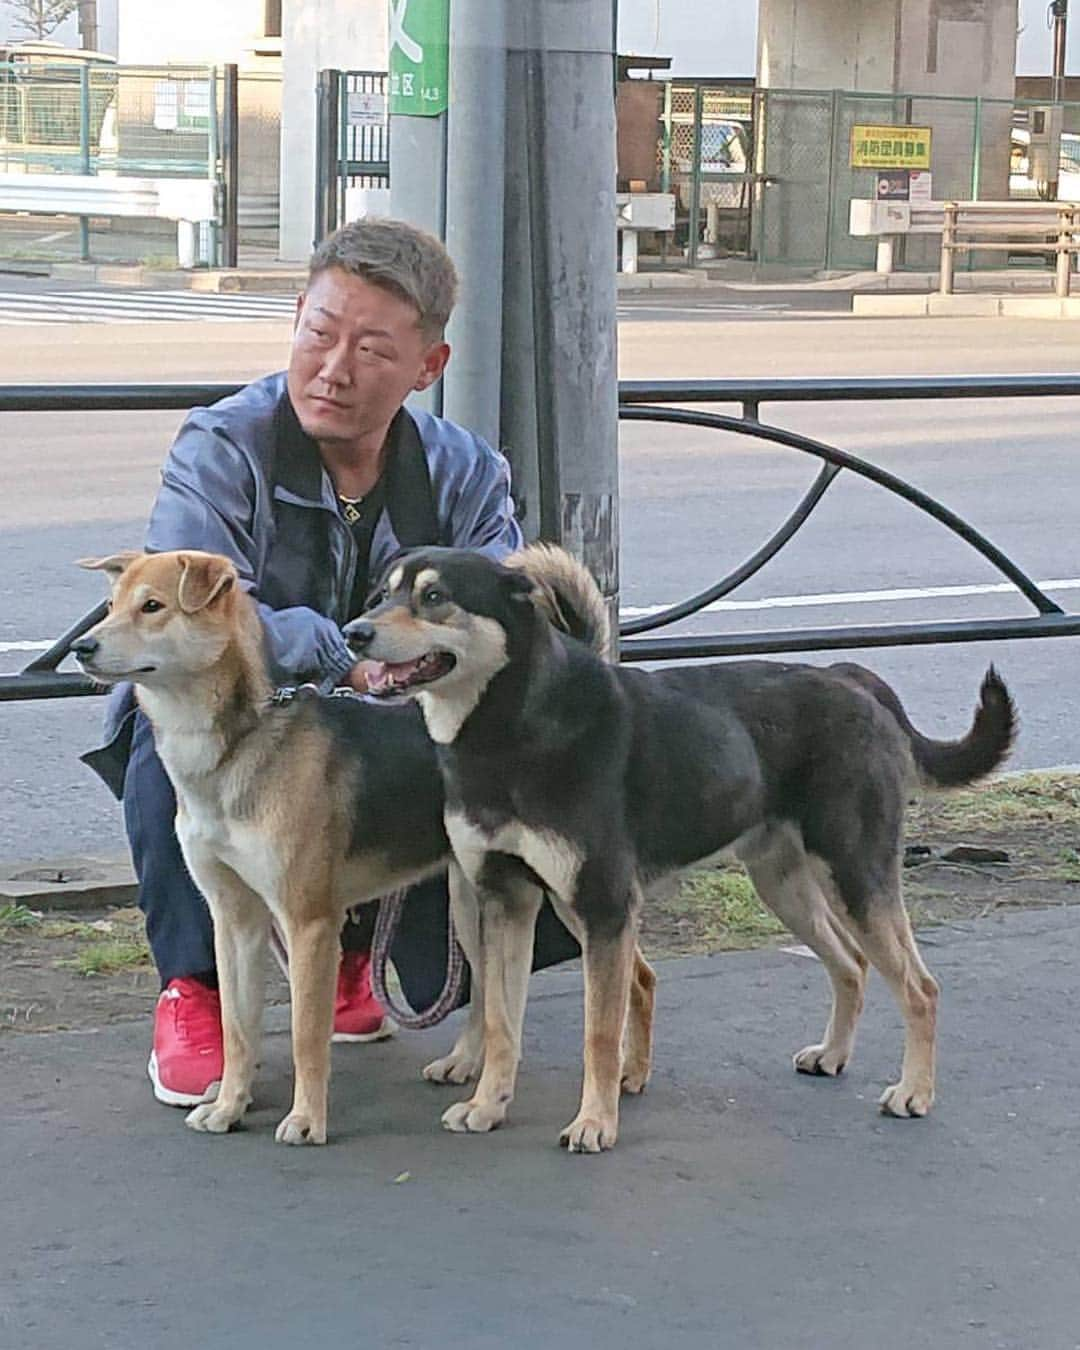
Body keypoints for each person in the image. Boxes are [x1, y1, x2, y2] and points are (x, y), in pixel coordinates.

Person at [84, 216, 578, 1107]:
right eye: (319, 331)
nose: (334, 367)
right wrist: (347, 651)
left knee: (492, 770)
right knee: (174, 746)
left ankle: (352, 952)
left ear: (428, 367)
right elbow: (191, 623)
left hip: (393, 728)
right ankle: (191, 988)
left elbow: (505, 634)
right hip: (242, 713)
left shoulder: (466, 472)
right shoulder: (224, 443)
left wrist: (411, 671)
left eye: (373, 348)